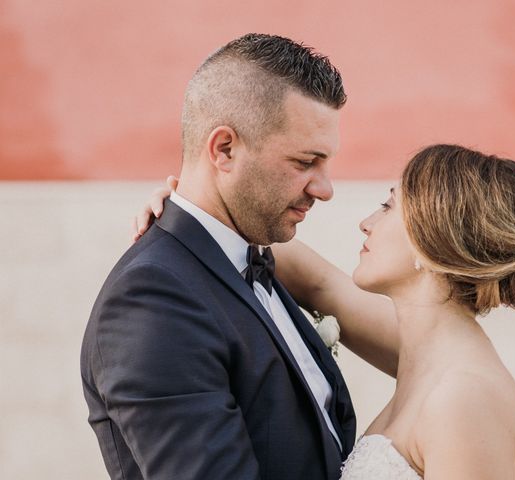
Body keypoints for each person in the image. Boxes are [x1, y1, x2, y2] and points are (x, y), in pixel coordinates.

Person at [140, 143, 515, 479]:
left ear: (433, 241)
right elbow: (318, 282)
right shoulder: (427, 354)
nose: (367, 222)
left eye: (389, 205)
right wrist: (196, 212)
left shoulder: (463, 399)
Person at [80, 33, 356, 480]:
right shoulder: (152, 301)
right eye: (306, 162)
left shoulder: (250, 256)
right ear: (224, 149)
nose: (325, 189)